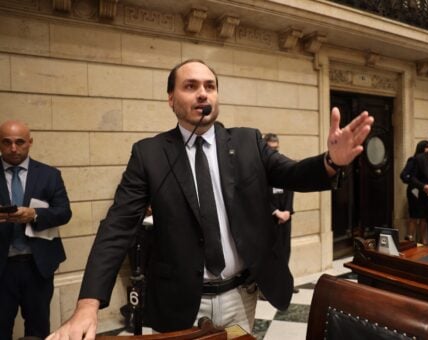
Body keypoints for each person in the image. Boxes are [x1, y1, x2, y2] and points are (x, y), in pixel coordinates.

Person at [48, 59, 374, 339]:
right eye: (190, 86)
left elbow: (292, 174)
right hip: (180, 300)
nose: (203, 92)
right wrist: (87, 305)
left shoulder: (248, 141)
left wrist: (331, 161)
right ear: (171, 99)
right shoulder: (150, 154)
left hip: (240, 295)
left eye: (210, 86)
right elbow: (118, 225)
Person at [0, 120, 72, 339]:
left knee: (38, 329)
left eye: (20, 142)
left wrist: (35, 215)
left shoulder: (49, 175)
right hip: (2, 269)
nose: (13, 148)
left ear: (30, 143)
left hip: (38, 267)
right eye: (7, 142)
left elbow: (64, 212)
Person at [263, 133, 298, 294]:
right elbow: (257, 195)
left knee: (285, 250)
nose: (274, 152)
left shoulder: (281, 166)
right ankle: (267, 290)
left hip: (285, 217)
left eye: (276, 149)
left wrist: (287, 211)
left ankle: (285, 285)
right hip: (268, 218)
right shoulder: (258, 170)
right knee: (270, 254)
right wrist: (275, 212)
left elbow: (290, 189)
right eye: (271, 149)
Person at [399, 140, 428, 245]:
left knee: (424, 217)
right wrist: (414, 183)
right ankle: (410, 240)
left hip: (425, 192)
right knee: (414, 216)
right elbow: (404, 175)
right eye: (427, 147)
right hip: (415, 191)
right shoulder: (413, 160)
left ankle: (423, 241)